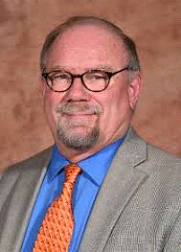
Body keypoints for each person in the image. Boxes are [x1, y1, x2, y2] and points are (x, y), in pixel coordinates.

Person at [0, 16, 181, 252]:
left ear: (132, 89)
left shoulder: (174, 190)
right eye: (61, 76)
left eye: (97, 76)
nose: (76, 94)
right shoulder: (8, 183)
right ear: (44, 89)